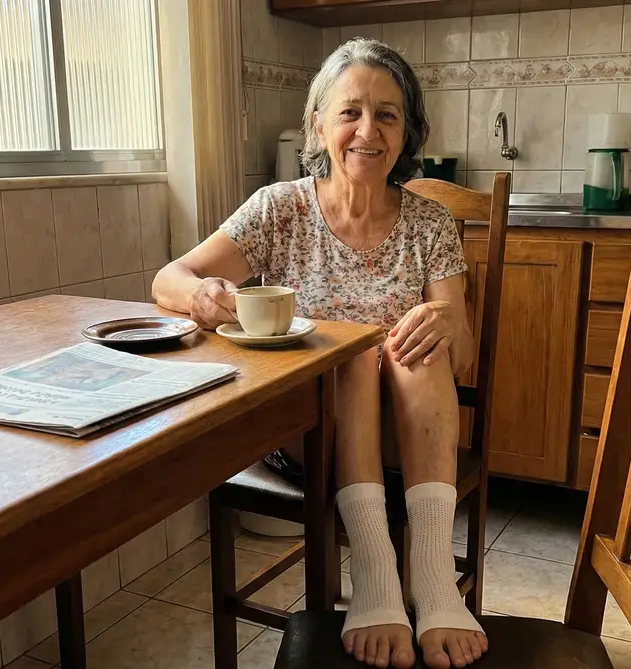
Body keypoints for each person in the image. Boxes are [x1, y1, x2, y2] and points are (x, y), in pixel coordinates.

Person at [152, 38, 487, 669]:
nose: (368, 131)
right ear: (318, 124)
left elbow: (462, 353)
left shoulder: (431, 225)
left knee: (416, 348)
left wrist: (447, 321)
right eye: (350, 112)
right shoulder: (279, 211)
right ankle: (376, 574)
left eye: (388, 114)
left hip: (413, 435)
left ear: (408, 129)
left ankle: (435, 583)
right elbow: (167, 278)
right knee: (351, 355)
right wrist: (202, 292)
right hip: (307, 434)